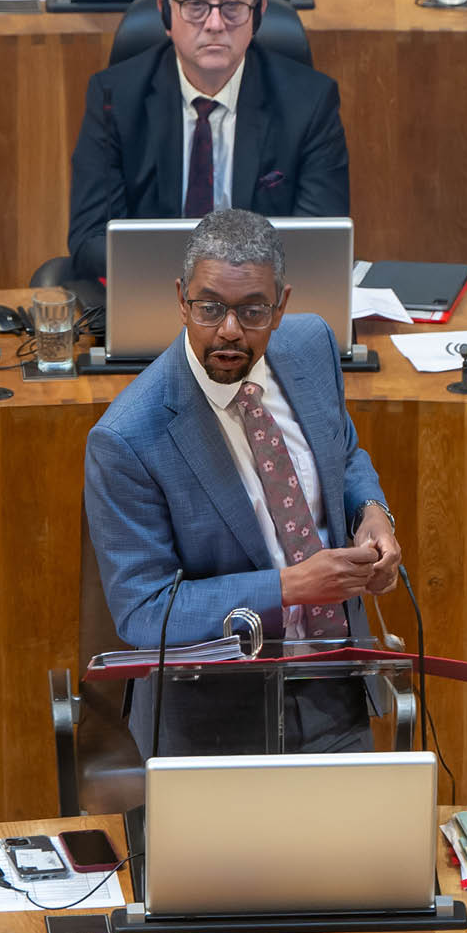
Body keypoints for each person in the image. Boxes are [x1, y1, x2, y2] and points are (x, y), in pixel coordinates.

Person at [84, 210, 399, 757]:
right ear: (181, 300)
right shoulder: (128, 437)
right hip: (213, 720)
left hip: (335, 684)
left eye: (252, 310)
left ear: (280, 307)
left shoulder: (311, 348)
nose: (229, 329)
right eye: (210, 308)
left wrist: (372, 513)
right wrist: (292, 586)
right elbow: (146, 611)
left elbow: (342, 453)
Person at [67, 0, 347, 280]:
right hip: (154, 295)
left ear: (257, 14)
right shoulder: (114, 99)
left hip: (261, 309)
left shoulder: (310, 103)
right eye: (196, 5)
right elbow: (89, 241)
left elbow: (319, 243)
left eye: (232, 5)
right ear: (166, 12)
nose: (215, 24)